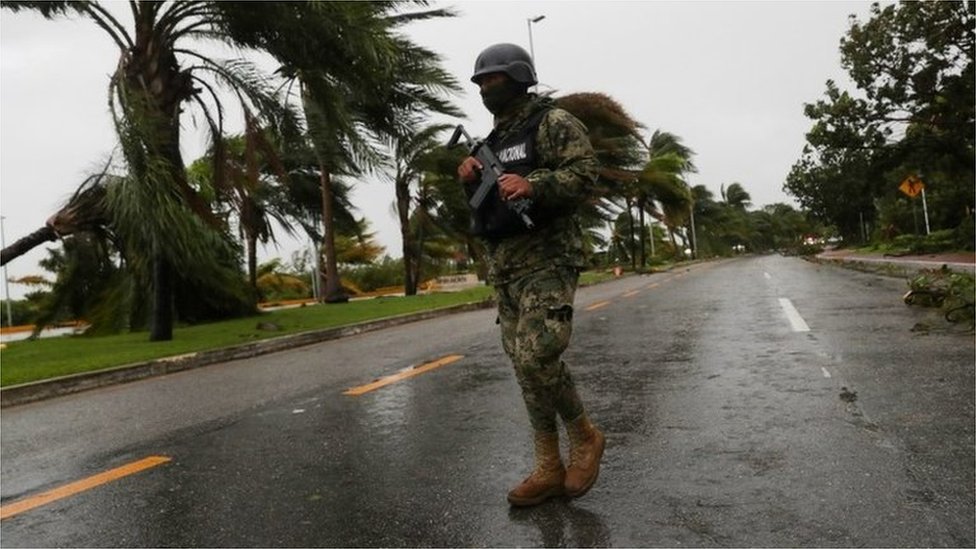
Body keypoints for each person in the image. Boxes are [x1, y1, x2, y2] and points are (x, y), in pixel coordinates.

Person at [456, 43, 605, 507]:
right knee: (525, 366)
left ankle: (584, 436)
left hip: (548, 258)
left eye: (492, 79)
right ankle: (548, 465)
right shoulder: (493, 142)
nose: (484, 88)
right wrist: (469, 181)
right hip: (506, 266)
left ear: (518, 77)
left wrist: (534, 183)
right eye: (479, 81)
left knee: (538, 356)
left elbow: (586, 173)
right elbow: (488, 206)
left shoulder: (553, 123)